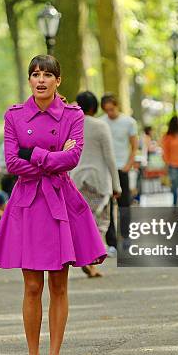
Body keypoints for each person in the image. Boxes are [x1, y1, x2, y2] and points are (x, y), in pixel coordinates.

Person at [0, 54, 107, 355]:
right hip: (27, 204)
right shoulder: (14, 116)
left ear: (58, 80)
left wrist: (33, 154)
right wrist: (49, 158)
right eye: (35, 74)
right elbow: (12, 162)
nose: (40, 80)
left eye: (47, 75)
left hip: (59, 204)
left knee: (58, 284)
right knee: (31, 286)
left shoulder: (73, 115)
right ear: (29, 80)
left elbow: (71, 159)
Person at [70, 91, 121, 278]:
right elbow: (109, 157)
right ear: (94, 107)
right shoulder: (101, 126)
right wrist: (117, 185)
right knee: (101, 221)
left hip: (76, 179)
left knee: (83, 220)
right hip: (98, 180)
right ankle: (91, 259)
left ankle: (86, 259)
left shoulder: (71, 126)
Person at [100, 94, 138, 255]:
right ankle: (112, 242)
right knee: (107, 206)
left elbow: (134, 145)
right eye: (107, 110)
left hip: (122, 167)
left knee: (124, 204)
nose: (110, 112)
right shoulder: (101, 123)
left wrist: (129, 164)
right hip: (106, 169)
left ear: (117, 106)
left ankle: (127, 237)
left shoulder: (129, 122)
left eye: (112, 109)